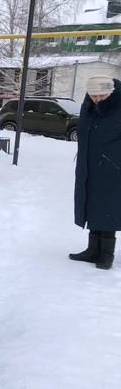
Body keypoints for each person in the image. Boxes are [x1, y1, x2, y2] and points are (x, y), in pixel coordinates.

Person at [69, 75, 121, 270]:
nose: (97, 99)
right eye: (94, 96)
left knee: (109, 209)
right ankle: (93, 250)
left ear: (111, 92)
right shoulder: (89, 106)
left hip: (113, 169)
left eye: (101, 96)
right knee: (91, 205)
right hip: (89, 166)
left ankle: (106, 254)